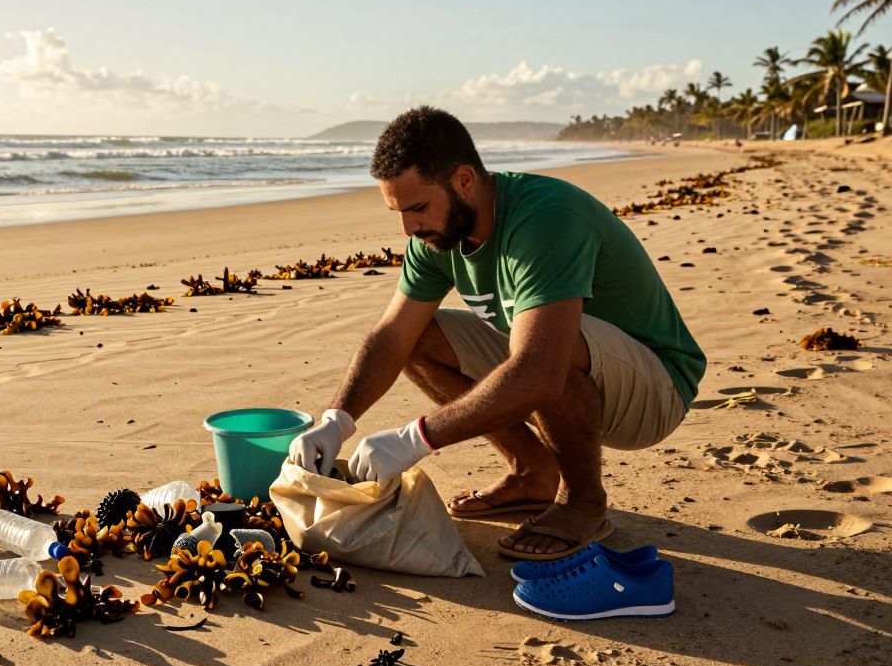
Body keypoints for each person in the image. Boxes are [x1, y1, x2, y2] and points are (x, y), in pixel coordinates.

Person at [287, 106, 705, 561]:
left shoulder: (545, 218)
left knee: (547, 350)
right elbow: (392, 335)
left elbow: (541, 372)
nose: (408, 227)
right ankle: (532, 472)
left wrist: (414, 439)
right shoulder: (436, 237)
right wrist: (337, 420)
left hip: (656, 389)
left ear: (465, 180)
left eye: (418, 208)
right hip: (569, 370)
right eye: (398, 212)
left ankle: (583, 502)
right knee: (418, 338)